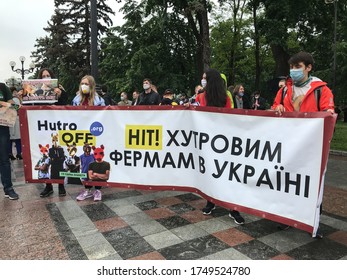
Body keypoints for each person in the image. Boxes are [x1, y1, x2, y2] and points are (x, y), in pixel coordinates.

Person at [272, 51, 335, 237]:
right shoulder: (284, 90)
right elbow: (275, 105)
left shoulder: (321, 90)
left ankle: (313, 222)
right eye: (292, 67)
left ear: (308, 68)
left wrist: (327, 113)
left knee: (312, 183)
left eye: (298, 67)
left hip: (312, 148)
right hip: (289, 145)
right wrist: (278, 107)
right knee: (288, 181)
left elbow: (328, 113)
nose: (293, 71)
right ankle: (287, 218)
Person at [193, 69, 245, 225]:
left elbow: (231, 117)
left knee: (226, 173)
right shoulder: (201, 96)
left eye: (204, 78)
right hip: (207, 141)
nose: (202, 81)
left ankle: (233, 208)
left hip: (224, 141)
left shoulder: (226, 96)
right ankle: (211, 201)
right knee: (210, 172)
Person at [0, 82, 19, 200]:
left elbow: (12, 104)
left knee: (4, 159)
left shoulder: (2, 87)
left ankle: (8, 188)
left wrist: (5, 104)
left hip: (2, 127)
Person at [8, 87, 22, 160]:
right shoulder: (15, 99)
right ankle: (19, 153)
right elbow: (17, 108)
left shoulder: (7, 99)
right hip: (15, 119)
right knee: (18, 138)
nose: (16, 93)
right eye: (14, 92)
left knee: (10, 138)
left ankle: (10, 153)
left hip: (8, 119)